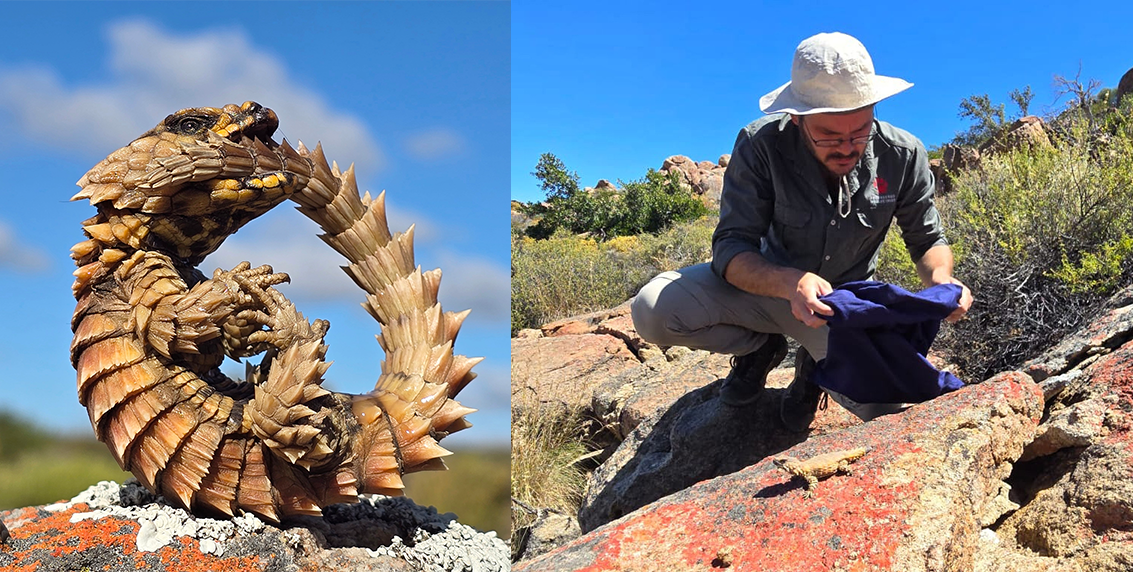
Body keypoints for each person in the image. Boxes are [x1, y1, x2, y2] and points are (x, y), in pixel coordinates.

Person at [630, 32, 973, 430]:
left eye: (860, 131)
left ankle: (814, 371)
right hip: (764, 287)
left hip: (841, 308)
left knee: (888, 411)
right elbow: (731, 246)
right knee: (652, 310)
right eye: (829, 135)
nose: (847, 147)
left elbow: (927, 239)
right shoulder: (760, 145)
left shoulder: (904, 154)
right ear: (796, 118)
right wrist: (790, 283)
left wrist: (941, 281)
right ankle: (760, 347)